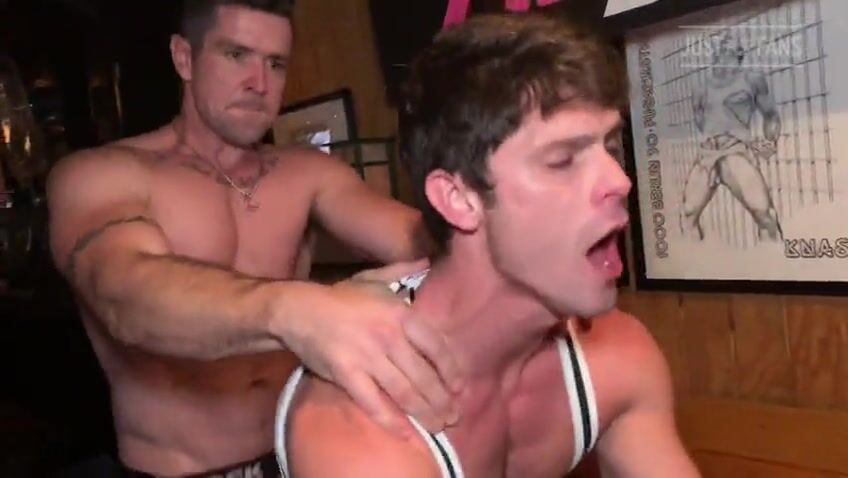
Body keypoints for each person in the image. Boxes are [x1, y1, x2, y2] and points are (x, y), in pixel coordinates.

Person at [274, 12, 701, 478]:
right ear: (459, 200)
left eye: (611, 149)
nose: (619, 181)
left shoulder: (618, 356)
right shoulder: (361, 434)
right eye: (563, 160)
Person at [45, 0, 464, 475]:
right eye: (236, 54)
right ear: (184, 58)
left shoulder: (308, 173)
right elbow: (123, 295)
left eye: (276, 63)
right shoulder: (102, 174)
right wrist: (298, 310)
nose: (259, 83)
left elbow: (429, 242)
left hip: (299, 457)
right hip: (184, 469)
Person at [684, 29, 783, 242]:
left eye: (729, 46)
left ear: (739, 53)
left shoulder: (752, 79)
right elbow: (701, 121)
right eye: (719, 48)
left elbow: (771, 115)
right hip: (708, 154)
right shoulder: (701, 88)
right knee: (689, 214)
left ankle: (774, 255)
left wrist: (769, 140)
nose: (722, 49)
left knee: (764, 214)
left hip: (735, 151)